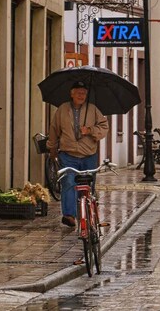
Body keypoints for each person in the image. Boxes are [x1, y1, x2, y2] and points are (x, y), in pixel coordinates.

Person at [47, 81, 109, 227]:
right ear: (72, 93)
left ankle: (86, 213)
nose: (82, 95)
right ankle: (69, 215)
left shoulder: (92, 109)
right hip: (68, 155)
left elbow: (104, 126)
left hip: (88, 155)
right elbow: (54, 130)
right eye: (79, 92)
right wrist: (52, 150)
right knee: (68, 182)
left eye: (84, 93)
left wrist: (90, 130)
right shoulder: (62, 109)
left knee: (87, 186)